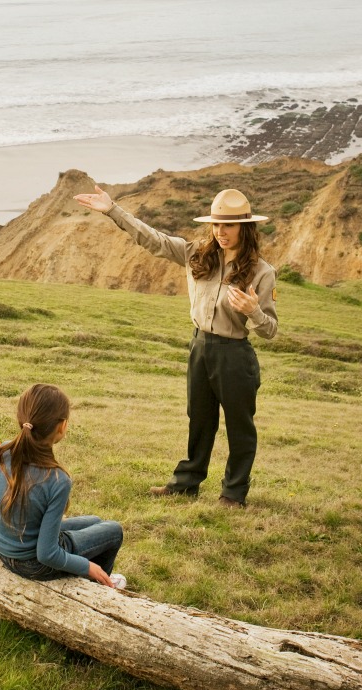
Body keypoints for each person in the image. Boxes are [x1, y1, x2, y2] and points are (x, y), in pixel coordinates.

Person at [73, 186, 278, 508]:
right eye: (216, 224)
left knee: (240, 426)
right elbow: (152, 239)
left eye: (229, 225)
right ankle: (186, 484)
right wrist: (113, 210)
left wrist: (252, 311)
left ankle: (233, 492)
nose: (221, 232)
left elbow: (270, 330)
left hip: (235, 354)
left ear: (245, 227)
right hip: (200, 347)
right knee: (199, 419)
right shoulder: (196, 252)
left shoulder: (263, 272)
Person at [0, 383, 126, 589]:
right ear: (62, 426)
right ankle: (99, 585)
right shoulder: (57, 480)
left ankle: (93, 578)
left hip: (4, 550)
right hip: (34, 564)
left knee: (95, 521)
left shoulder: (3, 452)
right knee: (114, 530)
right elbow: (46, 554)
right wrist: (86, 566)